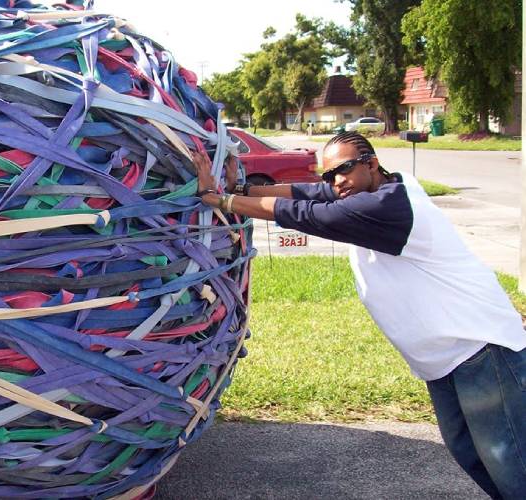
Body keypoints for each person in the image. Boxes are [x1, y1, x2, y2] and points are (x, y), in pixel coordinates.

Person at [195, 131, 526, 499]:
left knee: (510, 463)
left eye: (345, 169)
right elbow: (309, 193)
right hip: (444, 360)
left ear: (372, 163)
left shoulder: (388, 207)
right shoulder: (381, 187)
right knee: (472, 455)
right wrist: (243, 189)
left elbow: (305, 213)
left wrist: (220, 199)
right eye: (329, 174)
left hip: (481, 350)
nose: (336, 181)